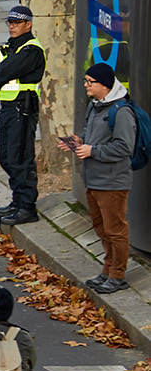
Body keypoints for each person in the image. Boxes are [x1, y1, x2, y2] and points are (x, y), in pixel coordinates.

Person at [67, 62, 141, 294]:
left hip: (112, 182)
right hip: (94, 180)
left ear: (105, 86)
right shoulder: (95, 106)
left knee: (116, 230)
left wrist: (92, 151)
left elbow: (124, 147)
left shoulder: (121, 112)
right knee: (101, 228)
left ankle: (118, 275)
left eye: (90, 82)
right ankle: (108, 270)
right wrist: (78, 141)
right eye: (85, 81)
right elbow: (90, 135)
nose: (86, 85)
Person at [0, 3, 45, 224]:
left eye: (17, 23)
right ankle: (17, 201)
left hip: (23, 108)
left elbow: (1, 72)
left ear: (28, 24)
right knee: (6, 157)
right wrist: (0, 72)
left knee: (20, 158)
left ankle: (27, 207)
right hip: (9, 107)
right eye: (10, 22)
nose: (12, 27)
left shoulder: (31, 50)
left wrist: (1, 72)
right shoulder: (9, 48)